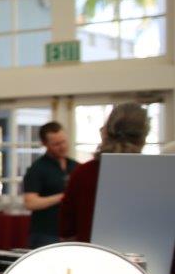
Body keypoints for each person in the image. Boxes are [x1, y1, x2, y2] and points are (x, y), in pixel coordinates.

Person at [59, 103, 151, 243]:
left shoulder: (84, 173)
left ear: (105, 132)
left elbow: (66, 230)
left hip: (95, 259)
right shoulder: (160, 175)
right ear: (143, 138)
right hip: (151, 261)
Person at [21, 121, 77, 248]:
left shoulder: (75, 166)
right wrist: (63, 197)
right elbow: (30, 203)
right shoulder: (37, 169)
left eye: (64, 141)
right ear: (44, 144)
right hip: (46, 234)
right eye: (56, 144)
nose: (62, 146)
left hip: (72, 232)